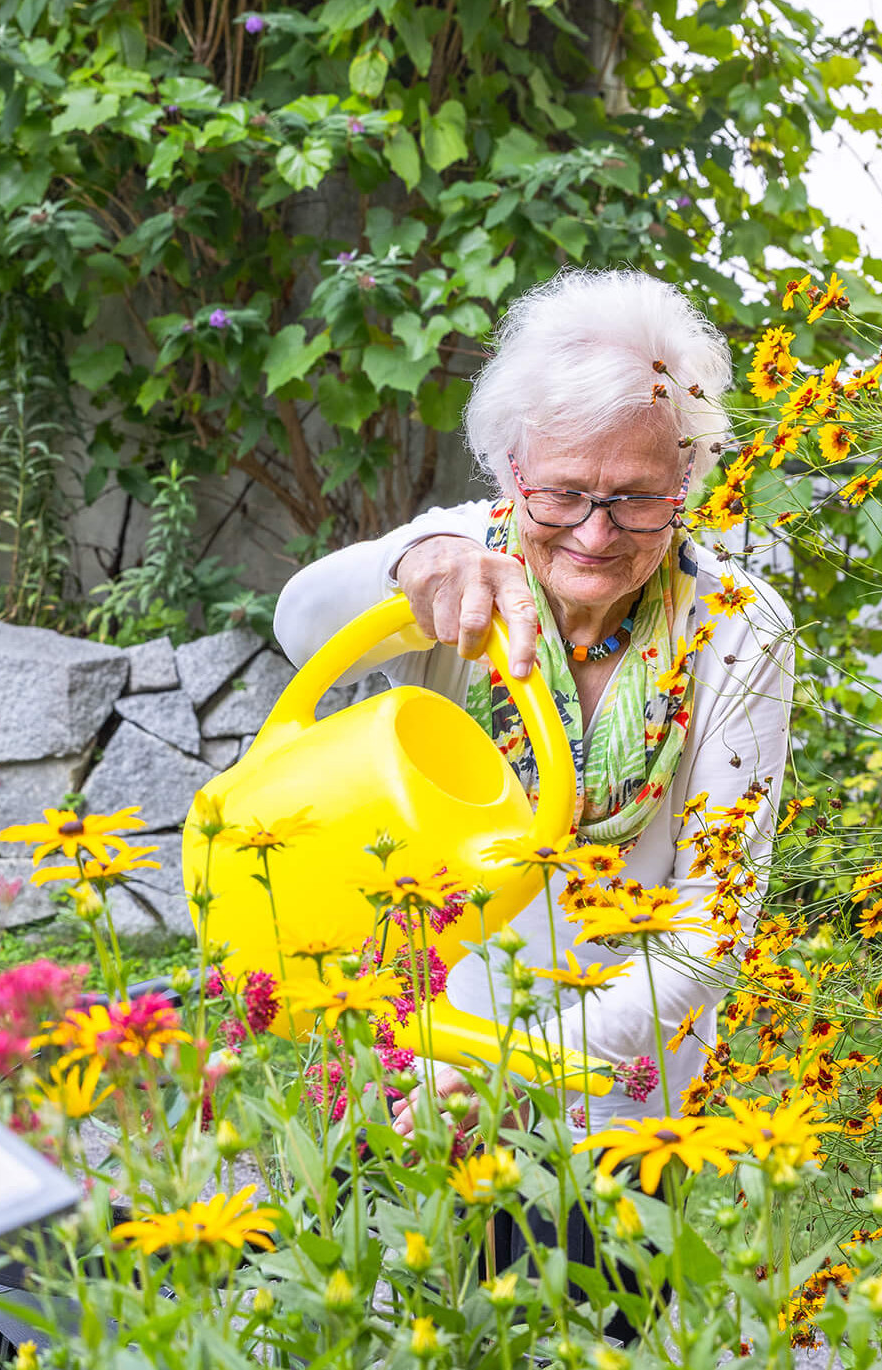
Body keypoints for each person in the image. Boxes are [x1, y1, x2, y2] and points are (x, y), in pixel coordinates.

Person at [274, 267, 796, 1138]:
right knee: (402, 1270)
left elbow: (712, 923)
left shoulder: (741, 627)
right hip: (409, 1059)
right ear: (512, 469)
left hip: (618, 1096)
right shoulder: (459, 567)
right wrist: (414, 559)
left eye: (636, 499)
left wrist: (521, 1069)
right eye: (562, 494)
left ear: (690, 476)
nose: (596, 535)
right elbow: (301, 622)